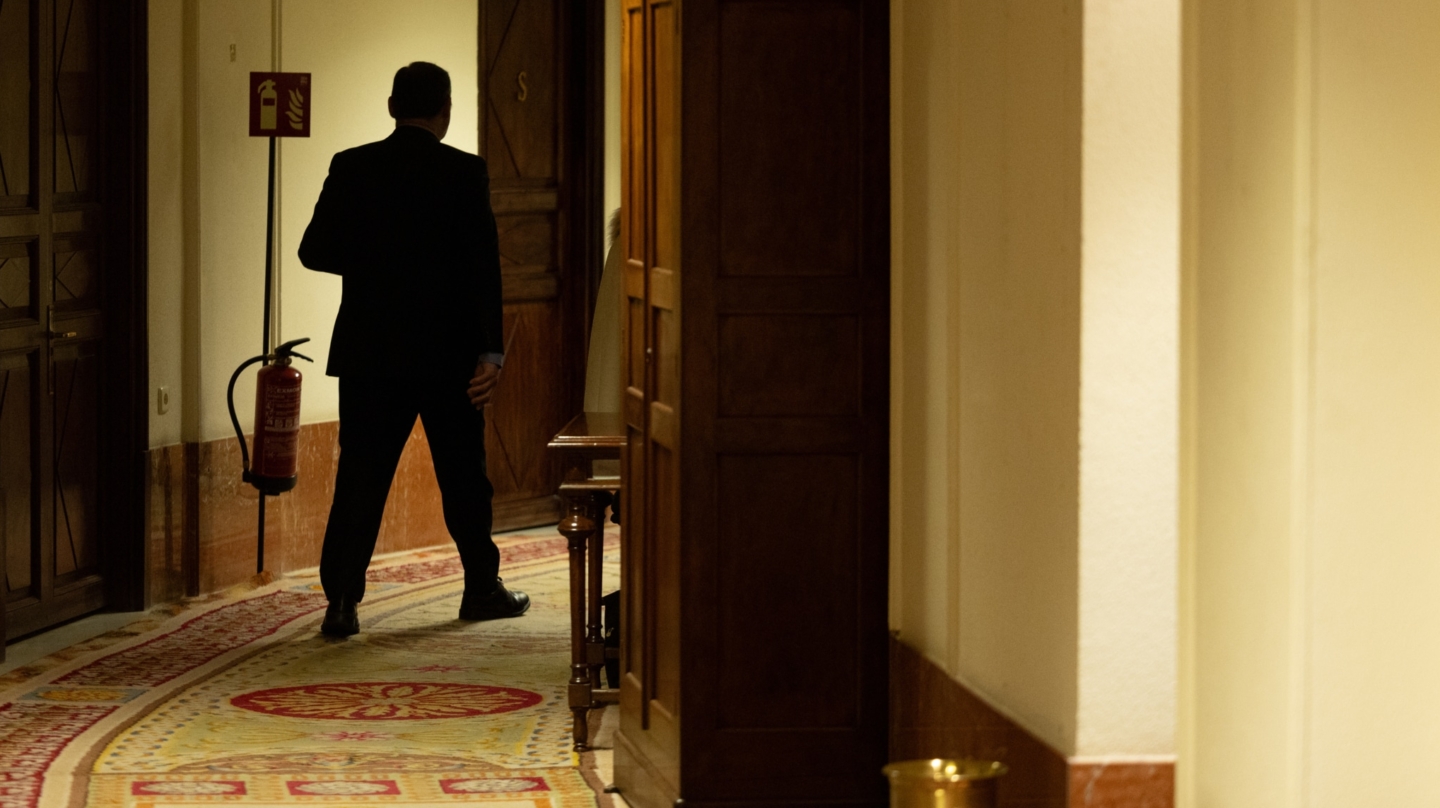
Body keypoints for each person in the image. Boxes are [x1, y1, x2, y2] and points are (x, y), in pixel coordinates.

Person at [298, 61, 529, 637]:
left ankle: (342, 603)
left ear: (391, 107)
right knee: (463, 477)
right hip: (449, 355)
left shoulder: (352, 167)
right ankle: (481, 588)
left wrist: (378, 259)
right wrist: (490, 353)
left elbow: (313, 250)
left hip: (371, 352)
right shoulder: (464, 173)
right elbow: (483, 268)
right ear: (445, 111)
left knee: (361, 477)